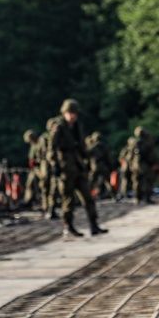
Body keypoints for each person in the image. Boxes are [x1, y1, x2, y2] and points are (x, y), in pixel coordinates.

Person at [47, 99, 107, 238]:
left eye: (74, 113)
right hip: (65, 167)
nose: (72, 116)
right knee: (68, 199)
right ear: (64, 113)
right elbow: (52, 148)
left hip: (78, 166)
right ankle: (68, 227)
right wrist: (54, 165)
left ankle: (93, 224)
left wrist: (89, 154)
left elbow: (81, 147)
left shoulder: (77, 127)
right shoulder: (59, 127)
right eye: (69, 113)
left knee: (88, 197)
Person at [131, 126, 159, 204]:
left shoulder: (134, 142)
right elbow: (151, 155)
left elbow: (130, 155)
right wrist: (153, 163)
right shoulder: (147, 142)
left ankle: (137, 198)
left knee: (137, 181)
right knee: (147, 181)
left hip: (136, 164)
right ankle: (147, 197)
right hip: (145, 165)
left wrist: (131, 164)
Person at [22, 130, 42, 209]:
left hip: (39, 168)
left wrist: (37, 161)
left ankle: (42, 202)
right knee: (29, 184)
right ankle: (29, 200)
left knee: (42, 185)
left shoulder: (40, 144)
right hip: (34, 168)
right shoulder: (33, 145)